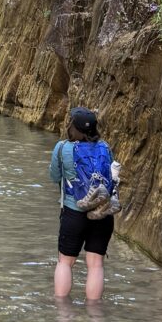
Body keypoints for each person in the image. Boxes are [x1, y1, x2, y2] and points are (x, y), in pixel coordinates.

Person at [49, 106, 115, 301]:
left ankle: (63, 318)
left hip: (73, 212)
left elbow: (54, 176)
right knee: (95, 265)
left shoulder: (63, 148)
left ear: (73, 128)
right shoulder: (105, 147)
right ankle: (95, 321)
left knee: (65, 263)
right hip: (102, 212)